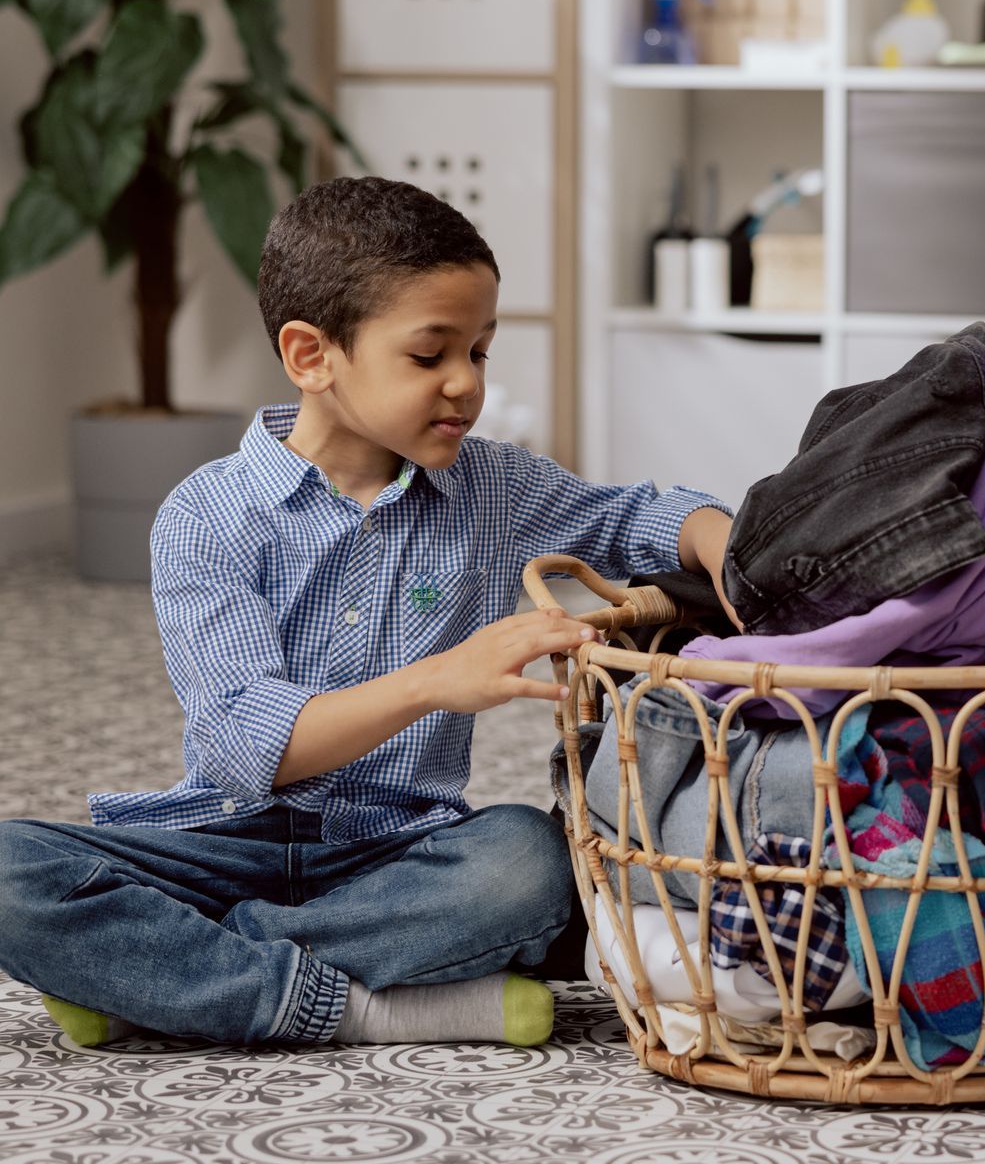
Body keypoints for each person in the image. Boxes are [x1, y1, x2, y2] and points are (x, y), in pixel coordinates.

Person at [0, 178, 736, 1049]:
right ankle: (371, 1007)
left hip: (398, 854)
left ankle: (165, 979)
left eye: (481, 352)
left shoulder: (491, 486)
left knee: (533, 863)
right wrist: (438, 683)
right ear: (312, 356)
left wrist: (725, 540)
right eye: (430, 357)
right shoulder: (206, 516)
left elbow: (632, 519)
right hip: (223, 844)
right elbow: (247, 747)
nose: (466, 383)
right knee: (12, 869)